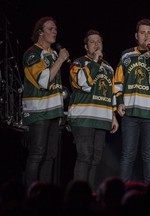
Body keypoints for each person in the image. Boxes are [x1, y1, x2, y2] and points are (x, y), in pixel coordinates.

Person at [114, 18, 150, 184]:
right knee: (128, 155)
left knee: (149, 156)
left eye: (149, 33)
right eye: (143, 33)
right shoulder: (126, 55)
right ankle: (122, 195)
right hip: (130, 112)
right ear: (136, 36)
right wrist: (119, 101)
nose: (146, 36)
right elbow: (117, 82)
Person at [67, 29, 119, 191]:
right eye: (92, 42)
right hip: (83, 117)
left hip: (101, 117)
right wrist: (95, 63)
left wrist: (113, 115)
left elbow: (112, 92)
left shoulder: (109, 67)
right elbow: (83, 83)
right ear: (85, 47)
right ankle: (78, 196)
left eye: (99, 42)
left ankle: (89, 195)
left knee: (95, 159)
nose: (96, 44)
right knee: (84, 156)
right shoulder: (79, 63)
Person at [22, 16, 70, 188]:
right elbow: (44, 81)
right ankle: (30, 194)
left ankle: (44, 195)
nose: (54, 32)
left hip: (52, 113)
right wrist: (60, 60)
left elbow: (56, 87)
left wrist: (59, 113)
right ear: (40, 33)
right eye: (50, 29)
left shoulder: (54, 54)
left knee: (50, 155)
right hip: (38, 112)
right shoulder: (32, 54)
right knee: (37, 153)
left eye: (55, 29)